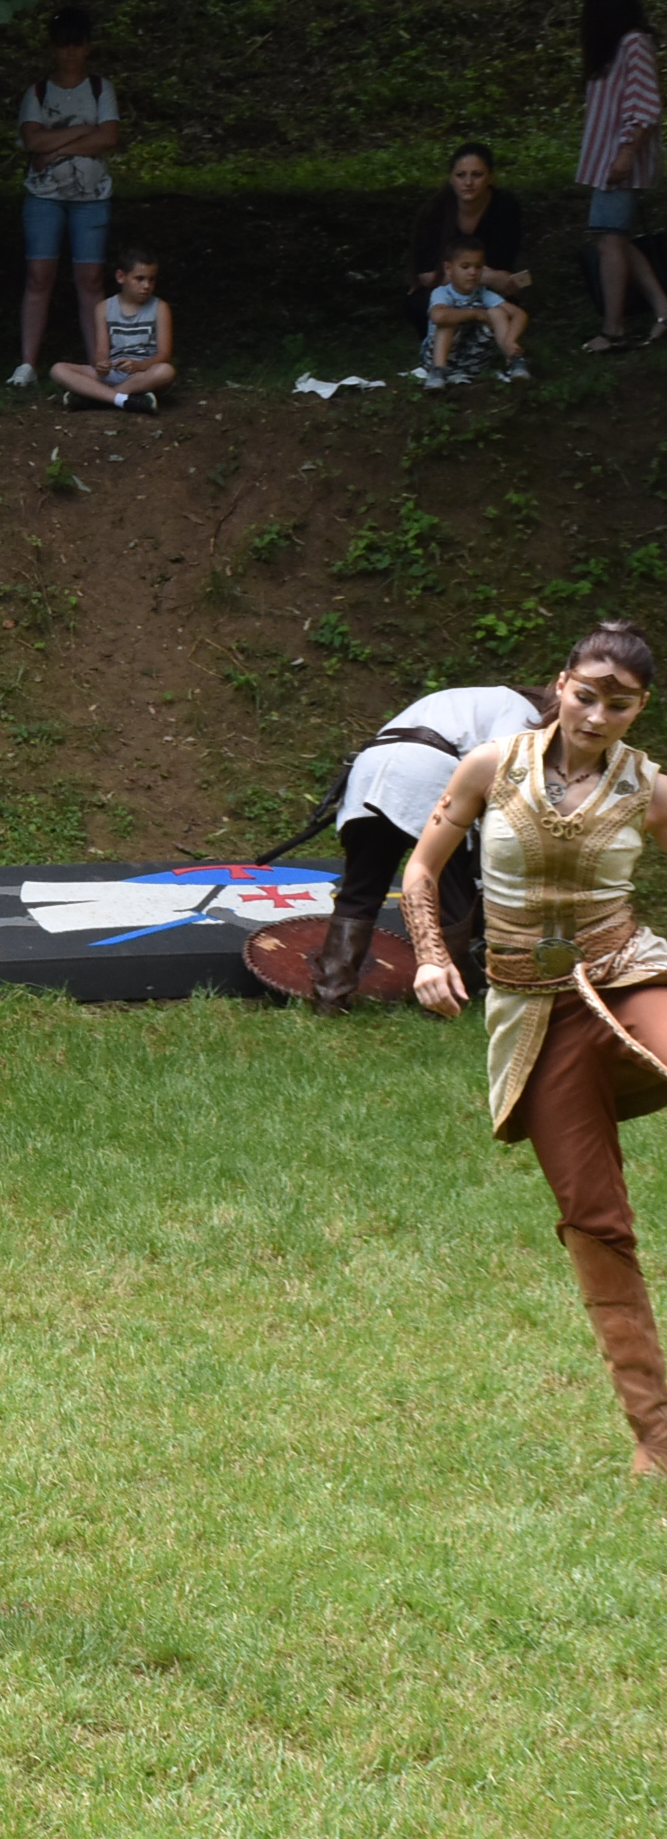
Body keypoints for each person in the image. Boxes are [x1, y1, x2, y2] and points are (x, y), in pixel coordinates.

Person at [405, 622, 667, 1476]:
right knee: (595, 1215)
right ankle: (657, 1436)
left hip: (626, 974)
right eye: (585, 695)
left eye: (618, 705)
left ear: (639, 709)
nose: (595, 716)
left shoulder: (650, 788)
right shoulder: (491, 766)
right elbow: (421, 869)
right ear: (560, 685)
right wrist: (431, 956)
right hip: (532, 1010)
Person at [307, 682, 551, 1015]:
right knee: (450, 892)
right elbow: (506, 783)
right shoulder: (523, 712)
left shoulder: (465, 698)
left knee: (361, 890)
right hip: (428, 772)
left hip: (368, 769)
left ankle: (330, 996)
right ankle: (441, 1002)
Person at [9, 6, 122, 389]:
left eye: (76, 44)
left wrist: (55, 148)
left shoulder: (100, 89)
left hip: (92, 198)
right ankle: (27, 363)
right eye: (63, 45)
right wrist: (83, 131)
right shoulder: (38, 92)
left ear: (87, 47)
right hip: (44, 197)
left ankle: (98, 362)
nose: (70, 52)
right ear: (52, 48)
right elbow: (32, 139)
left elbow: (108, 136)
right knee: (39, 276)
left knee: (90, 279)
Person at [577, 0, 666, 355]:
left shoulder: (634, 43)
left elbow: (646, 106)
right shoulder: (615, 48)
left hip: (619, 160)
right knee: (613, 237)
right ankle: (663, 308)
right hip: (609, 160)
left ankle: (614, 331)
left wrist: (626, 152)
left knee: (609, 241)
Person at [405, 142, 528, 322]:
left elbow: (503, 265)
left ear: (490, 177)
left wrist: (492, 279)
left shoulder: (505, 207)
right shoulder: (434, 211)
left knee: (504, 306)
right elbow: (426, 274)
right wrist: (486, 276)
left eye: (477, 175)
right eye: (460, 175)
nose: (468, 183)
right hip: (444, 289)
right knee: (422, 303)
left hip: (489, 291)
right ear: (451, 178)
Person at [49, 242, 174, 411]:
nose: (146, 285)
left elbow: (164, 355)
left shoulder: (160, 308)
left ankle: (96, 398)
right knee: (58, 369)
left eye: (151, 279)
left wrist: (138, 366)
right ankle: (124, 399)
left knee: (166, 371)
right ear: (121, 277)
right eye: (140, 279)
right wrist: (101, 364)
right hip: (112, 373)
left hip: (142, 374)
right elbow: (101, 350)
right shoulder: (104, 308)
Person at [423, 239, 531, 389]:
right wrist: (476, 314)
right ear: (448, 269)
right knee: (448, 318)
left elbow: (519, 314)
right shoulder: (442, 293)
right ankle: (438, 372)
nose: (473, 272)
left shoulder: (484, 293)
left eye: (478, 267)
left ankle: (514, 360)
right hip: (440, 357)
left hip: (474, 360)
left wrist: (510, 340)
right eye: (465, 267)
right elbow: (438, 316)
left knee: (497, 312)